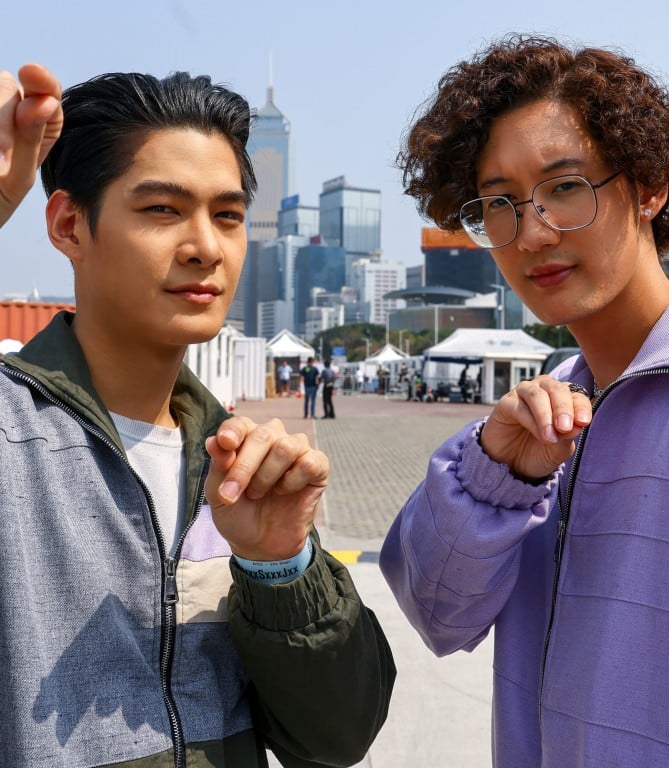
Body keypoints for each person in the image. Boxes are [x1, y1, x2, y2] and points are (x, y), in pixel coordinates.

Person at [379, 35, 669, 768]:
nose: (532, 232)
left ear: (649, 185)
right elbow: (438, 617)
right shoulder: (529, 423)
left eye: (565, 187)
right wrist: (498, 475)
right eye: (500, 203)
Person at [0, 64, 394, 767]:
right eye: (161, 209)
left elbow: (338, 737)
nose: (206, 246)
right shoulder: (13, 440)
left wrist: (281, 567)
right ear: (68, 224)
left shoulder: (238, 464)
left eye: (229, 215)